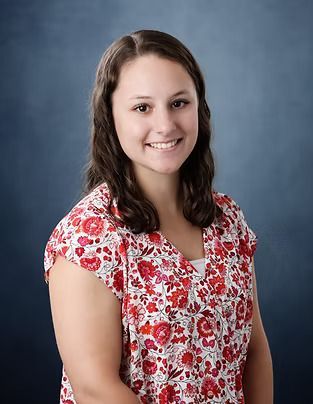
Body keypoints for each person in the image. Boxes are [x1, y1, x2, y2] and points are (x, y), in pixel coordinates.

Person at [44, 29, 273, 404]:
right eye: (142, 107)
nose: (165, 125)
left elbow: (254, 351)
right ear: (110, 116)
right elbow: (95, 389)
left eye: (179, 103)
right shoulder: (87, 238)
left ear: (200, 106)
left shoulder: (228, 220)